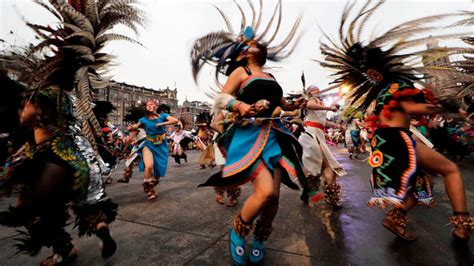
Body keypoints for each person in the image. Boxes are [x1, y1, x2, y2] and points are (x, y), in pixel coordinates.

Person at [318, 1, 473, 242]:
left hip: (390, 142)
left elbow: (404, 112)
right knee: (451, 170)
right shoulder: (397, 86)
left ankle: (395, 217)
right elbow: (410, 106)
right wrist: (448, 108)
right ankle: (462, 226)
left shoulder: (382, 91)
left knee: (419, 182)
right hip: (399, 141)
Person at [190, 2, 304, 263]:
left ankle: (261, 237)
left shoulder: (271, 75)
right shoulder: (242, 71)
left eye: (253, 41)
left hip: (275, 135)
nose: (252, 43)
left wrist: (294, 104)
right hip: (250, 135)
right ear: (242, 53)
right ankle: (239, 230)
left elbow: (282, 105)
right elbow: (222, 99)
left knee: (273, 198)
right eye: (246, 43)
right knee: (264, 192)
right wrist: (244, 106)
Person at [299, 85, 347, 207]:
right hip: (311, 135)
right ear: (309, 93)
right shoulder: (312, 100)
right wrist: (329, 108)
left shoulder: (319, 103)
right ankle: (332, 198)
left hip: (317, 135)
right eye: (314, 89)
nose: (317, 91)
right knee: (328, 166)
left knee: (320, 169)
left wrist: (338, 126)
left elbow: (323, 122)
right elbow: (310, 105)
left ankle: (309, 191)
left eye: (318, 89)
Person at [127, 100, 179, 200]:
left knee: (159, 170)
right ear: (146, 107)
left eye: (152, 104)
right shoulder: (143, 120)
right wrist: (131, 127)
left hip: (161, 145)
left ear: (156, 106)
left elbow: (175, 120)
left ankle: (152, 184)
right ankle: (150, 190)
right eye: (148, 105)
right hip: (149, 144)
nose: (149, 106)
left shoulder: (163, 116)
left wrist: (161, 124)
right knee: (149, 166)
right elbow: (136, 126)